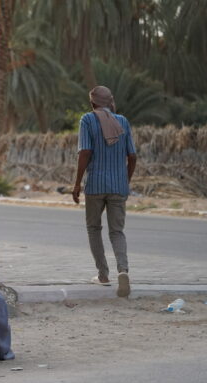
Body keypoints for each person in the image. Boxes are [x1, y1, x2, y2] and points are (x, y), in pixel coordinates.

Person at [72, 85, 137, 298]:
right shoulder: (123, 121)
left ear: (92, 103)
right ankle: (123, 270)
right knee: (117, 232)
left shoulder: (87, 120)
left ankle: (102, 275)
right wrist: (124, 181)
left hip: (95, 186)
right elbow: (132, 156)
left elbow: (85, 152)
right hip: (118, 187)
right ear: (110, 102)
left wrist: (77, 183)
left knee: (93, 228)